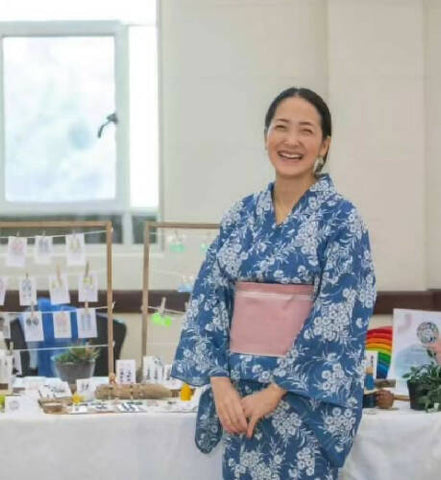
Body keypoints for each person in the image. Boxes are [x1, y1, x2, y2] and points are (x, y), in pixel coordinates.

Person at [171, 87, 376, 479]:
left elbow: (338, 313)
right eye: (281, 127)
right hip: (240, 397)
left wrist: (275, 391)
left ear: (324, 145)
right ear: (266, 135)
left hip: (304, 400)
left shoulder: (341, 219)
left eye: (306, 130)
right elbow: (209, 299)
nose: (291, 140)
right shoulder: (241, 214)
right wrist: (220, 384)